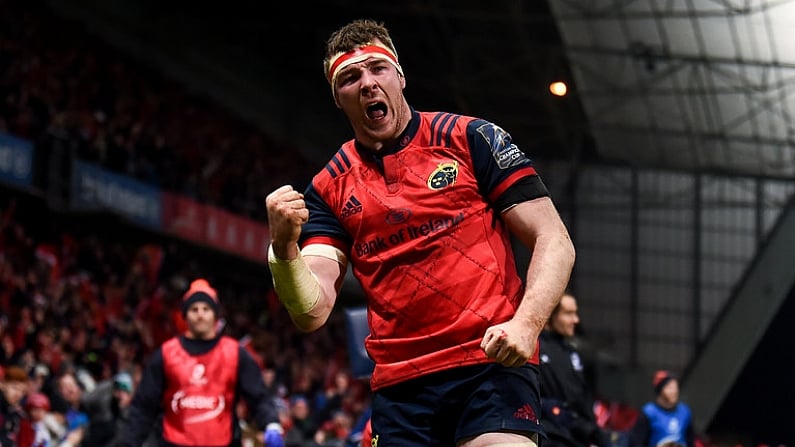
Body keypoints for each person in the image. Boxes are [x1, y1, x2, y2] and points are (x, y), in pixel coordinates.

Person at [265, 18, 576, 446]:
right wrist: (283, 249)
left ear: (400, 76)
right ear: (339, 98)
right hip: (402, 389)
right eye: (350, 77)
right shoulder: (328, 187)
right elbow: (312, 311)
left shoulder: (471, 138)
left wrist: (526, 325)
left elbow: (554, 239)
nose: (368, 83)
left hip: (488, 364)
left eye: (378, 68)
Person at [121, 278, 284, 447]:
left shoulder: (235, 354)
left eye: (206, 309)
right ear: (185, 315)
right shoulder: (166, 354)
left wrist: (271, 424)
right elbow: (143, 408)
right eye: (194, 309)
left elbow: (258, 397)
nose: (200, 314)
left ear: (215, 315)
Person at [538, 292, 607, 446]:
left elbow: (583, 400)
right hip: (551, 438)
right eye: (569, 314)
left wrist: (595, 433)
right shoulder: (535, 349)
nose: (576, 320)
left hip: (578, 438)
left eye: (575, 313)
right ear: (550, 315)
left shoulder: (572, 353)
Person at [629, 371, 695, 447]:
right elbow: (636, 442)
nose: (674, 391)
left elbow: (690, 441)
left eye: (675, 387)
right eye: (669, 387)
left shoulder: (684, 412)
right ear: (660, 390)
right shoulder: (649, 413)